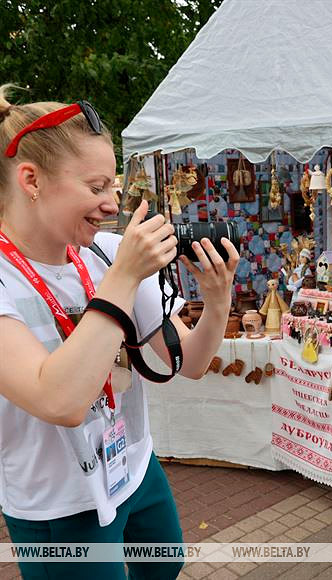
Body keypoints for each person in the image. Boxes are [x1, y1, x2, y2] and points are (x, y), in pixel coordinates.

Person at [0, 86, 239, 579]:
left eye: (113, 186)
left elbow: (190, 363)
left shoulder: (105, 253)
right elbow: (60, 401)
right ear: (31, 180)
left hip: (132, 463)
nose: (112, 205)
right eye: (96, 187)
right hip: (61, 502)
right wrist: (125, 278)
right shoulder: (20, 276)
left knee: (164, 566)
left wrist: (218, 300)